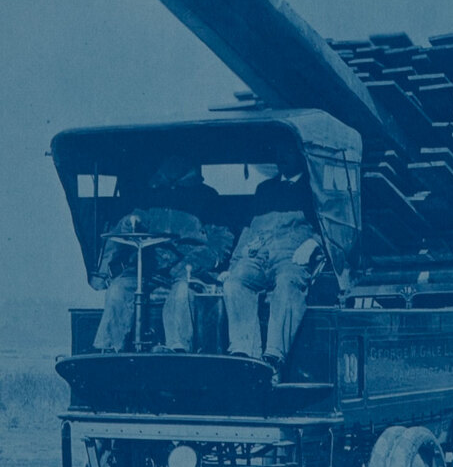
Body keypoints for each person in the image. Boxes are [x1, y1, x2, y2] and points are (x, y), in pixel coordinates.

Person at [90, 155, 230, 352]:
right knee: (118, 289)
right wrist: (130, 226)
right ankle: (108, 350)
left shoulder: (208, 197)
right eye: (167, 156)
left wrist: (195, 262)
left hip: (189, 270)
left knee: (182, 293)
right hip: (147, 268)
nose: (172, 161)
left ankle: (177, 349)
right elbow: (121, 233)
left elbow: (221, 241)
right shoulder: (146, 197)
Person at [222, 149, 324, 377]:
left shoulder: (314, 189)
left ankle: (274, 359)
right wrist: (233, 266)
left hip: (291, 255)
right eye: (279, 150)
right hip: (259, 256)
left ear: (300, 154)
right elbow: (249, 229)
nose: (282, 155)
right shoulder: (264, 189)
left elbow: (331, 228)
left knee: (288, 283)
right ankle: (245, 355)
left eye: (287, 150)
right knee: (235, 283)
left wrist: (312, 244)